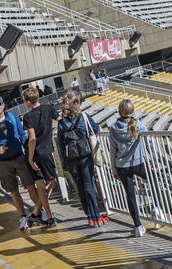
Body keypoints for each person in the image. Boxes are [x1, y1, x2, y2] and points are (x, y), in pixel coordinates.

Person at [0, 94, 37, 232]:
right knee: (14, 191)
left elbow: (22, 134)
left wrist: (27, 149)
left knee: (30, 186)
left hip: (19, 157)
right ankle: (23, 216)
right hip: (3, 162)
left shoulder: (12, 117)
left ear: (3, 105)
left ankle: (38, 212)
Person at [57, 91, 103, 226]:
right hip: (85, 155)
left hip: (70, 158)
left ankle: (89, 216)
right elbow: (96, 129)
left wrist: (63, 162)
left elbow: (60, 145)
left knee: (80, 188)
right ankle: (96, 216)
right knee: (89, 185)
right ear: (75, 104)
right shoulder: (84, 116)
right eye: (78, 101)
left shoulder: (61, 123)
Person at [109, 99, 148, 237]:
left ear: (119, 112)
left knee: (130, 196)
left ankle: (138, 226)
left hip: (122, 166)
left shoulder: (113, 128)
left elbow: (112, 151)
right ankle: (157, 207)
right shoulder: (137, 125)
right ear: (133, 111)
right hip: (138, 163)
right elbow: (148, 138)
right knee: (154, 179)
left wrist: (114, 170)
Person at [20, 87, 59, 227]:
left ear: (28, 102)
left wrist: (30, 159)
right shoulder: (49, 109)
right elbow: (61, 120)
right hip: (47, 152)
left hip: (34, 155)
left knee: (40, 186)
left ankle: (40, 213)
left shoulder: (28, 117)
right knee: (52, 181)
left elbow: (31, 139)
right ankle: (42, 214)